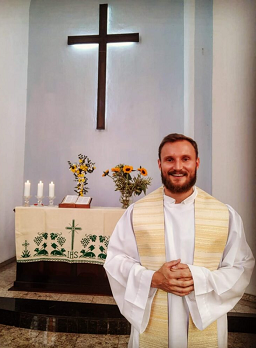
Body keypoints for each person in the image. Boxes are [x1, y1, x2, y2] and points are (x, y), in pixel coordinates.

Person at [104, 133, 254, 348]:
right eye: (169, 159)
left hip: (203, 319)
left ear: (197, 163)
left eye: (185, 159)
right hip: (153, 316)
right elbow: (115, 260)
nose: (178, 167)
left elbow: (241, 266)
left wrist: (199, 279)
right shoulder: (136, 212)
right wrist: (152, 278)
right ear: (159, 164)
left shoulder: (224, 214)